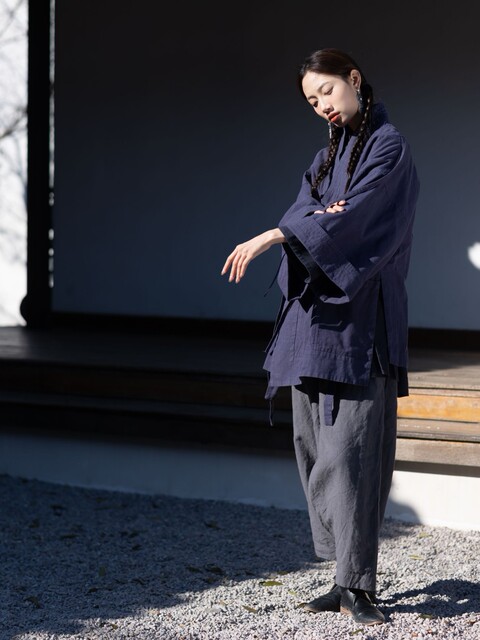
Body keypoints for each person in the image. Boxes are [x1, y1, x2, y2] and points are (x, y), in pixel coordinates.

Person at [221, 47, 419, 626]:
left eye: (327, 91)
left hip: (361, 324)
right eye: (311, 101)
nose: (322, 106)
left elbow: (355, 220)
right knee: (313, 449)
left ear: (354, 79)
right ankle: (341, 576)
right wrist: (313, 220)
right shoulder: (322, 158)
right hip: (312, 322)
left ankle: (359, 583)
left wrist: (282, 233)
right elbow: (307, 213)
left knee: (352, 451)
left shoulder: (389, 147)